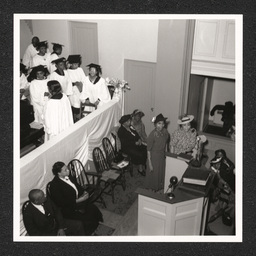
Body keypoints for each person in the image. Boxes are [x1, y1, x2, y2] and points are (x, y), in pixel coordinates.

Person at [49, 162, 103, 235]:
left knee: (92, 208)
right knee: (85, 217)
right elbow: (61, 203)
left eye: (67, 168)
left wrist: (84, 192)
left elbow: (77, 186)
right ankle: (88, 232)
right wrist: (77, 200)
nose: (68, 170)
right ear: (59, 173)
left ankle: (94, 226)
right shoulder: (54, 185)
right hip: (68, 207)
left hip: (78, 201)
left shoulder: (69, 176)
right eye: (65, 170)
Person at [146, 114, 170, 191]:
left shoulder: (165, 132)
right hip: (154, 157)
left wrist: (167, 155)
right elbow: (148, 149)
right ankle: (153, 189)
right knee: (154, 173)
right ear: (155, 124)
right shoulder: (152, 134)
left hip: (162, 155)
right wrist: (150, 163)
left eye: (163, 123)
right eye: (159, 123)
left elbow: (166, 144)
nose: (161, 125)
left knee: (161, 172)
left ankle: (159, 187)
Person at [66, 55, 87, 122]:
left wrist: (80, 83)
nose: (76, 66)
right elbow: (67, 82)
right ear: (70, 64)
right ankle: (75, 118)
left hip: (80, 88)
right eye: (74, 64)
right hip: (73, 90)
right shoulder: (67, 72)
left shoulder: (80, 70)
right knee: (75, 105)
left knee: (82, 104)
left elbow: (84, 79)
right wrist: (74, 84)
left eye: (77, 64)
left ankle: (80, 116)